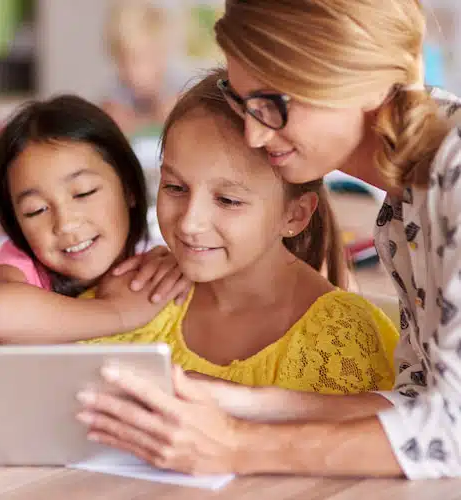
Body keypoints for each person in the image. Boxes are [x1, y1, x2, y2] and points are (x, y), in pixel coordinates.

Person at [76, 0, 461, 479]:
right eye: (243, 102)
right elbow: (418, 406)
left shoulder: (454, 177)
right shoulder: (407, 204)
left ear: (365, 83)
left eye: (274, 105)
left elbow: (453, 431)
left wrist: (237, 447)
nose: (255, 136)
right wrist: (231, 398)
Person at [82, 70, 398, 392]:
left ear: (295, 215)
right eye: (175, 187)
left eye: (228, 200)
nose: (190, 223)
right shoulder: (136, 289)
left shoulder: (343, 345)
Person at [0, 95, 189, 344]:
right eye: (36, 210)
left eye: (84, 192)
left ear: (129, 188)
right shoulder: (23, 265)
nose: (65, 223)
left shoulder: (155, 264)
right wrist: (118, 312)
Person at [100, 0, 184, 137]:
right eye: (123, 60)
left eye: (141, 58)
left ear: (161, 54)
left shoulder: (181, 96)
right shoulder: (113, 102)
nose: (132, 71)